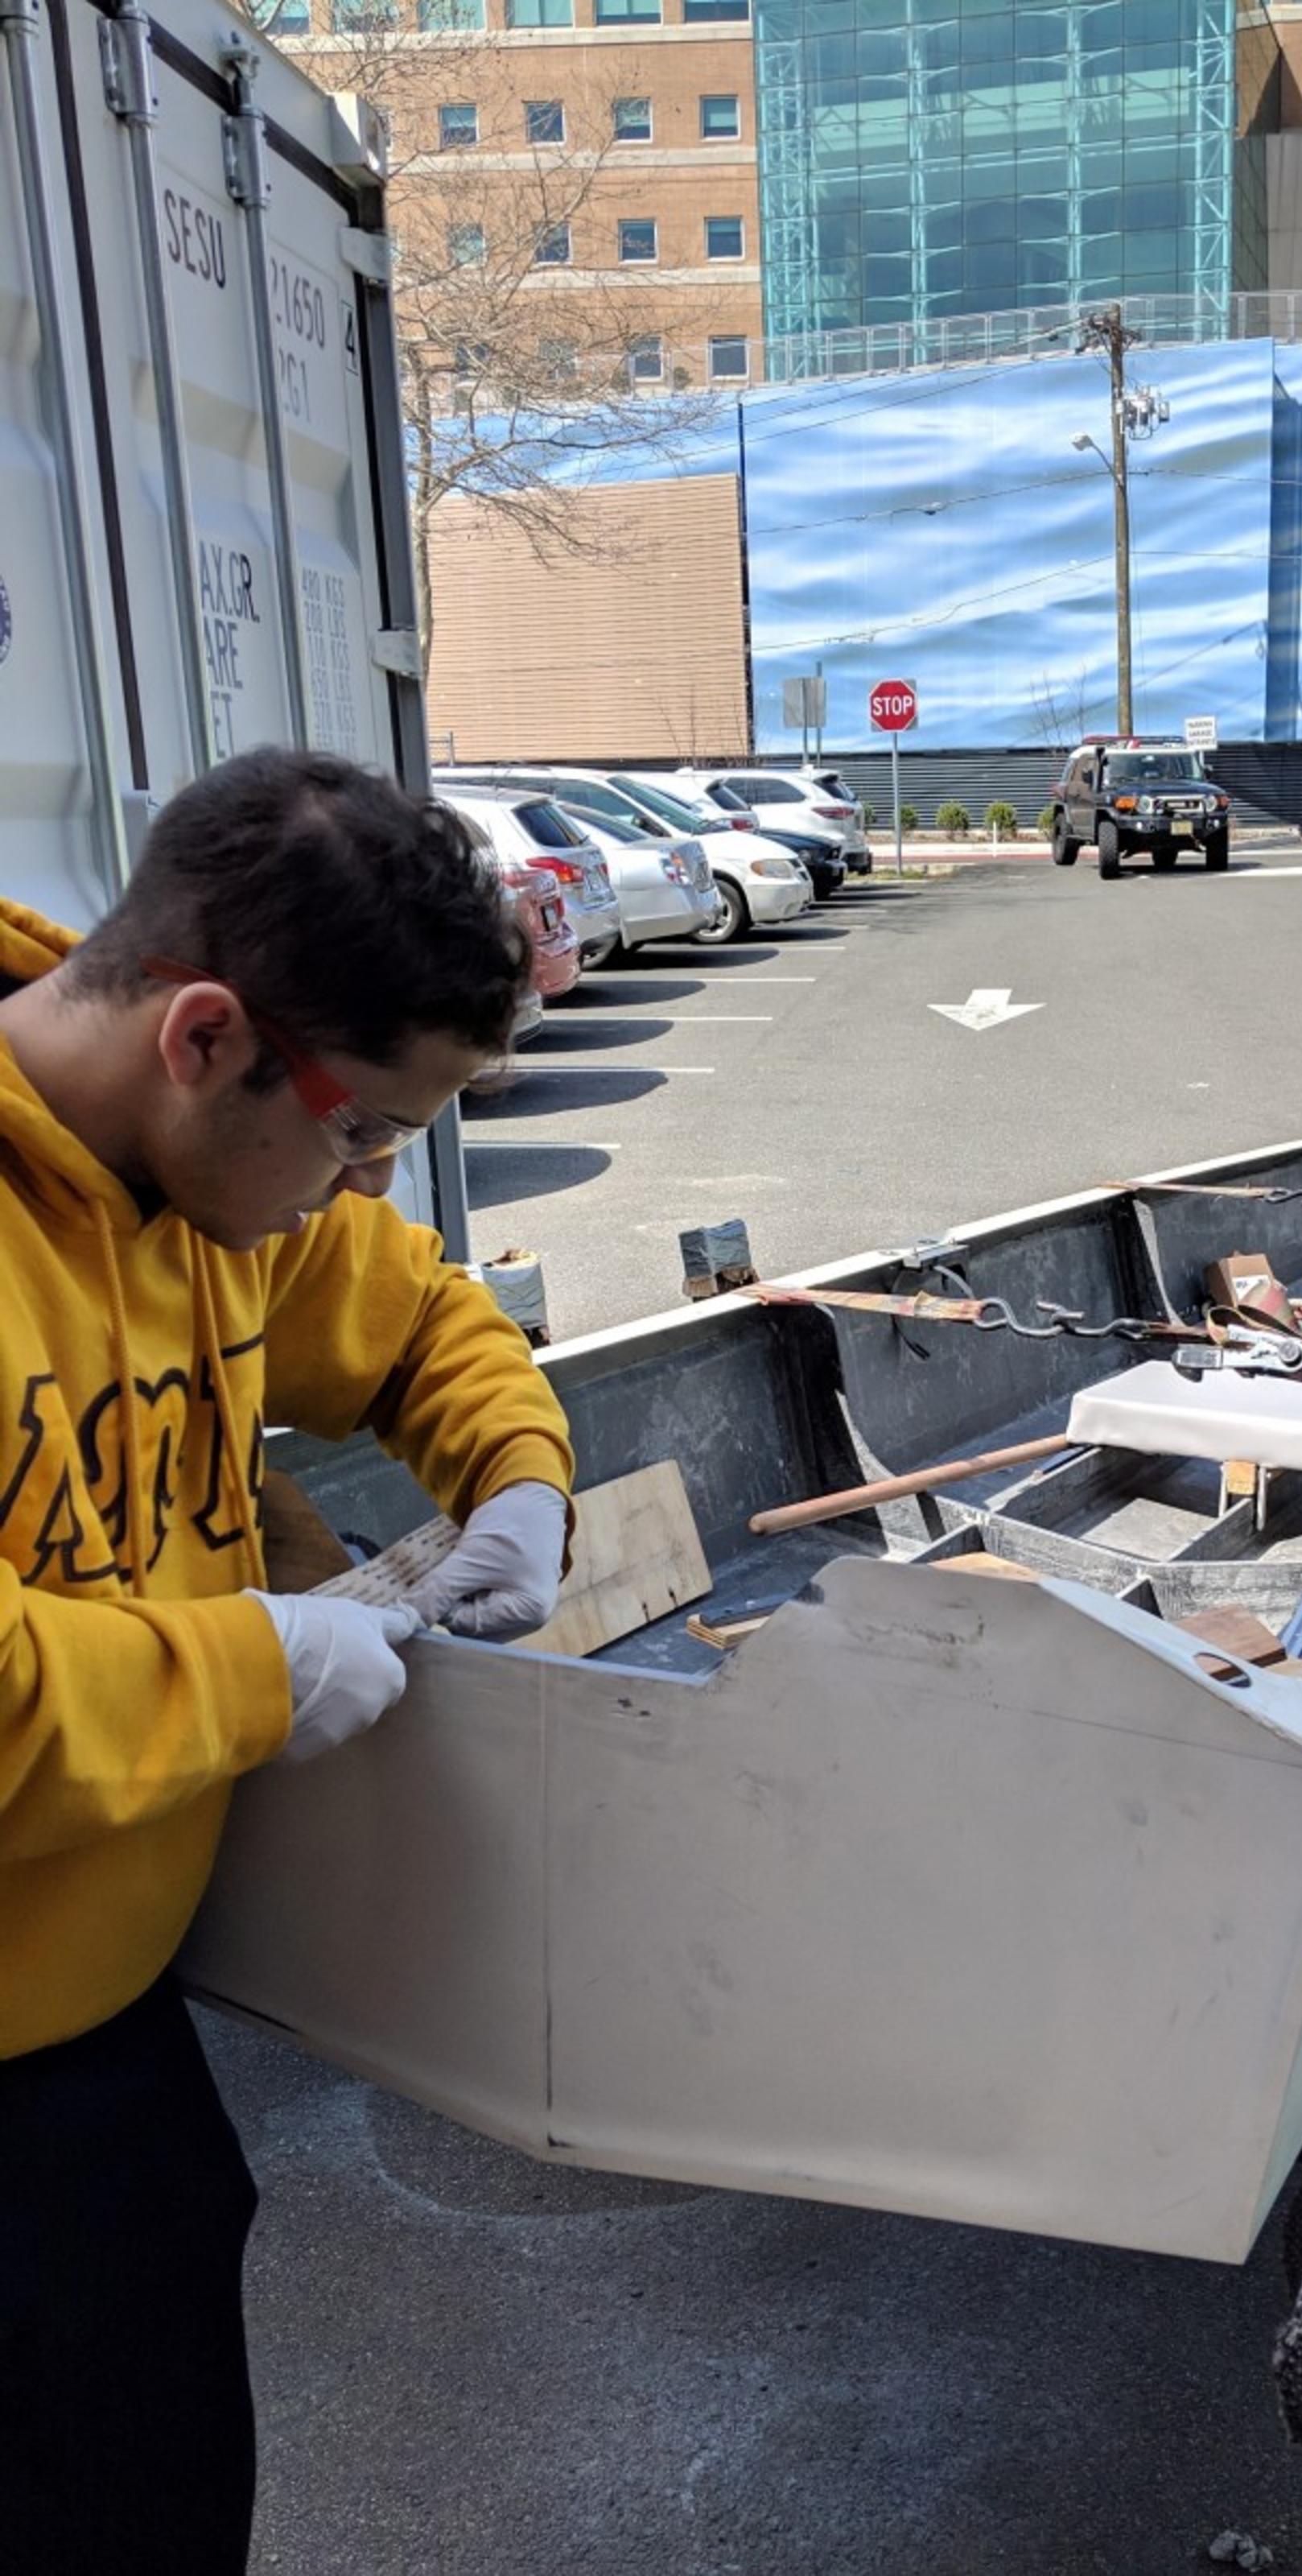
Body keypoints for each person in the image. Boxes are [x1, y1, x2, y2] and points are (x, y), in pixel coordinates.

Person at [0, 747, 575, 2570]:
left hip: (94, 2048)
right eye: (355, 1131)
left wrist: (519, 1478)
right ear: (199, 1036)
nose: (359, 1187)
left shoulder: (219, 1189)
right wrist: (257, 1665)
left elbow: (415, 1320)